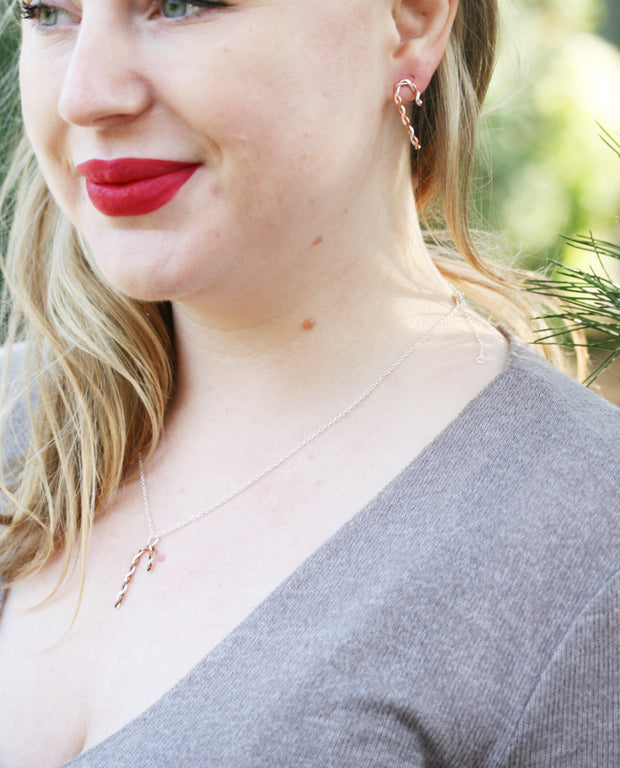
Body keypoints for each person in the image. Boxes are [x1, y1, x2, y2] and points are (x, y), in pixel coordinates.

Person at [0, 0, 618, 765]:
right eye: (44, 11)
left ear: (413, 20)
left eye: (182, 4)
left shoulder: (588, 545)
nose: (85, 95)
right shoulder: (12, 417)